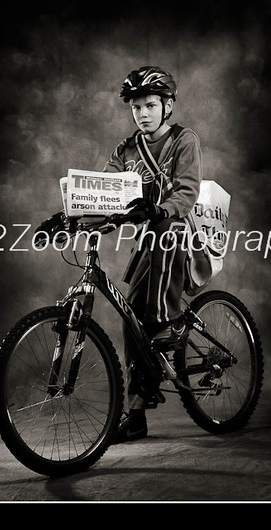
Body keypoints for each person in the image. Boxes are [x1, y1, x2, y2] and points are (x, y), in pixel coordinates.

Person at [102, 66, 203, 442]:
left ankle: (170, 320)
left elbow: (188, 191)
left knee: (166, 231)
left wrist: (162, 209)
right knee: (131, 318)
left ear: (167, 106)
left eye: (150, 105)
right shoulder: (125, 151)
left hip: (178, 235)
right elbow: (103, 192)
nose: (142, 113)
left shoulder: (183, 141)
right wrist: (71, 215)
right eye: (136, 108)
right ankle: (137, 414)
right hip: (151, 244)